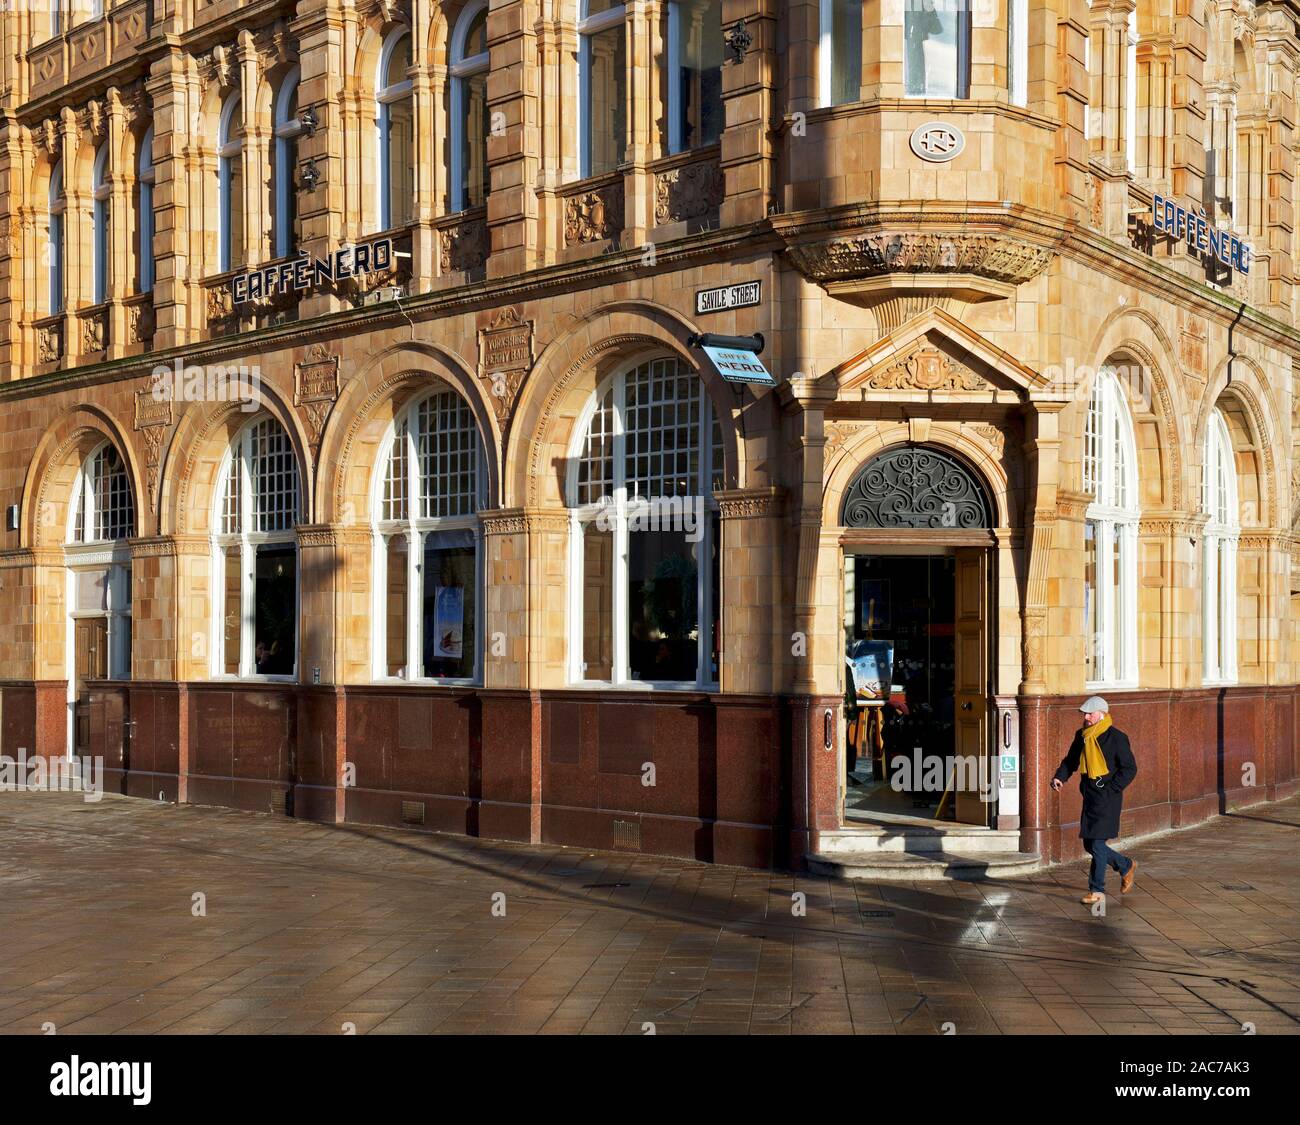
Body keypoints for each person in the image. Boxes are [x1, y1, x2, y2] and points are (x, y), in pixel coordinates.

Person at [1051, 696, 1139, 905]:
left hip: (1108, 798)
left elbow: (1129, 769)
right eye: (1085, 714)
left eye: (1090, 714)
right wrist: (1059, 777)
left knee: (1097, 844)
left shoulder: (1116, 738)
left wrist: (1111, 789)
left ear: (1102, 714)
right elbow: (1071, 760)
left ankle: (1097, 891)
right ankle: (1125, 865)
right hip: (1090, 796)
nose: (1086, 717)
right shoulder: (1082, 736)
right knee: (1090, 845)